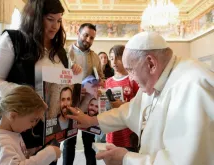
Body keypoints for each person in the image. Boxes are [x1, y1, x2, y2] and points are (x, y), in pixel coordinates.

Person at [66, 31, 214, 165]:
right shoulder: (157, 78)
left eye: (131, 70)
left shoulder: (193, 85)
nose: (130, 77)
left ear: (151, 64)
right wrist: (92, 121)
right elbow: (130, 110)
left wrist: (126, 158)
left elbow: (181, 161)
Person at [0, 0, 82, 150]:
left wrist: (73, 74)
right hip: (20, 126)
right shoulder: (14, 40)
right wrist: (27, 95)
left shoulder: (59, 51)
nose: (55, 26)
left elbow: (62, 86)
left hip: (51, 131)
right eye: (50, 19)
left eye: (59, 20)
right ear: (35, 17)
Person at [65, 23, 104, 165]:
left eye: (92, 38)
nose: (88, 40)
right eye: (86, 35)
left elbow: (100, 76)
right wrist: (74, 87)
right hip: (70, 103)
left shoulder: (95, 57)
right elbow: (58, 79)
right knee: (69, 143)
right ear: (78, 33)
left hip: (89, 106)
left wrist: (101, 82)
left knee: (89, 144)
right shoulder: (65, 53)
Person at [0, 86, 61, 165]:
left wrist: (29, 153)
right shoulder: (3, 142)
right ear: (12, 116)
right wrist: (48, 153)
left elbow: (14, 156)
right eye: (32, 120)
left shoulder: (11, 133)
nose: (33, 125)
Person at [105, 45, 139, 152]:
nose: (114, 62)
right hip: (113, 130)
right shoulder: (108, 81)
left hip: (129, 130)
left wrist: (124, 105)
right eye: (111, 58)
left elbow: (140, 104)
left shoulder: (133, 79)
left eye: (118, 58)